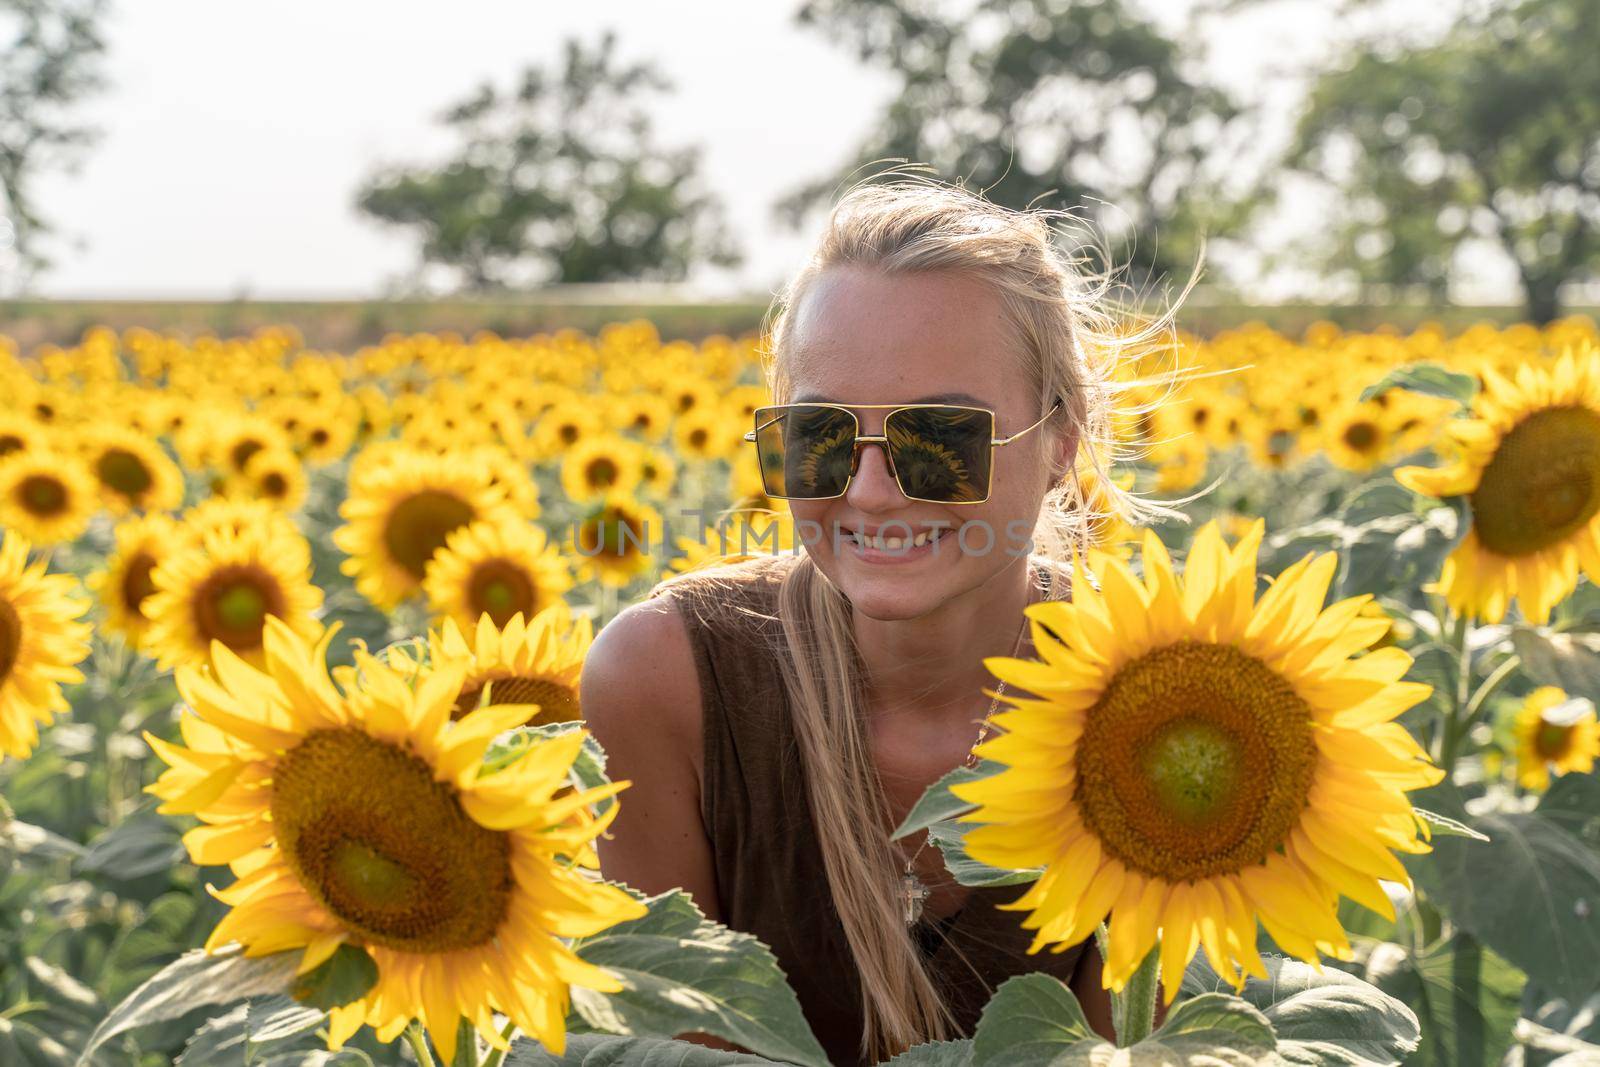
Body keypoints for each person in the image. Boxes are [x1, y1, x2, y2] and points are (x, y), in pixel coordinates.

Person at [581, 172, 1198, 1066]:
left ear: (1062, 441)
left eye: (941, 437)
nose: (870, 492)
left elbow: (1126, 1045)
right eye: (821, 435)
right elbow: (673, 1043)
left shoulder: (1163, 703)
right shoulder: (669, 682)